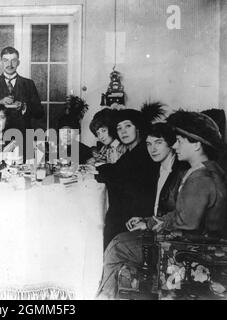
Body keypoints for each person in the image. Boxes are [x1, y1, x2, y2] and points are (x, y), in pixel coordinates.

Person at [97, 113, 227, 299]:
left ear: (197, 145)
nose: (175, 145)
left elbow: (186, 224)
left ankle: (104, 296)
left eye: (180, 141)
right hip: (197, 245)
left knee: (118, 245)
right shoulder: (211, 169)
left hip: (188, 250)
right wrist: (149, 221)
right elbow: (183, 215)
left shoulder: (200, 178)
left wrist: (150, 225)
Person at [96, 109, 158, 249]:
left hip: (135, 217)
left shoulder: (143, 152)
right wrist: (97, 171)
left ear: (138, 128)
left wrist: (97, 172)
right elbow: (116, 169)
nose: (123, 131)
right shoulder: (132, 151)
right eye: (119, 128)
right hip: (128, 213)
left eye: (128, 126)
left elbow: (118, 174)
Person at [0, 46, 44, 133]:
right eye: (6, 60)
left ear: (18, 63)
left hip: (23, 135)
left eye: (13, 60)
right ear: (1, 63)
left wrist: (24, 107)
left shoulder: (29, 84)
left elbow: (40, 113)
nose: (10, 64)